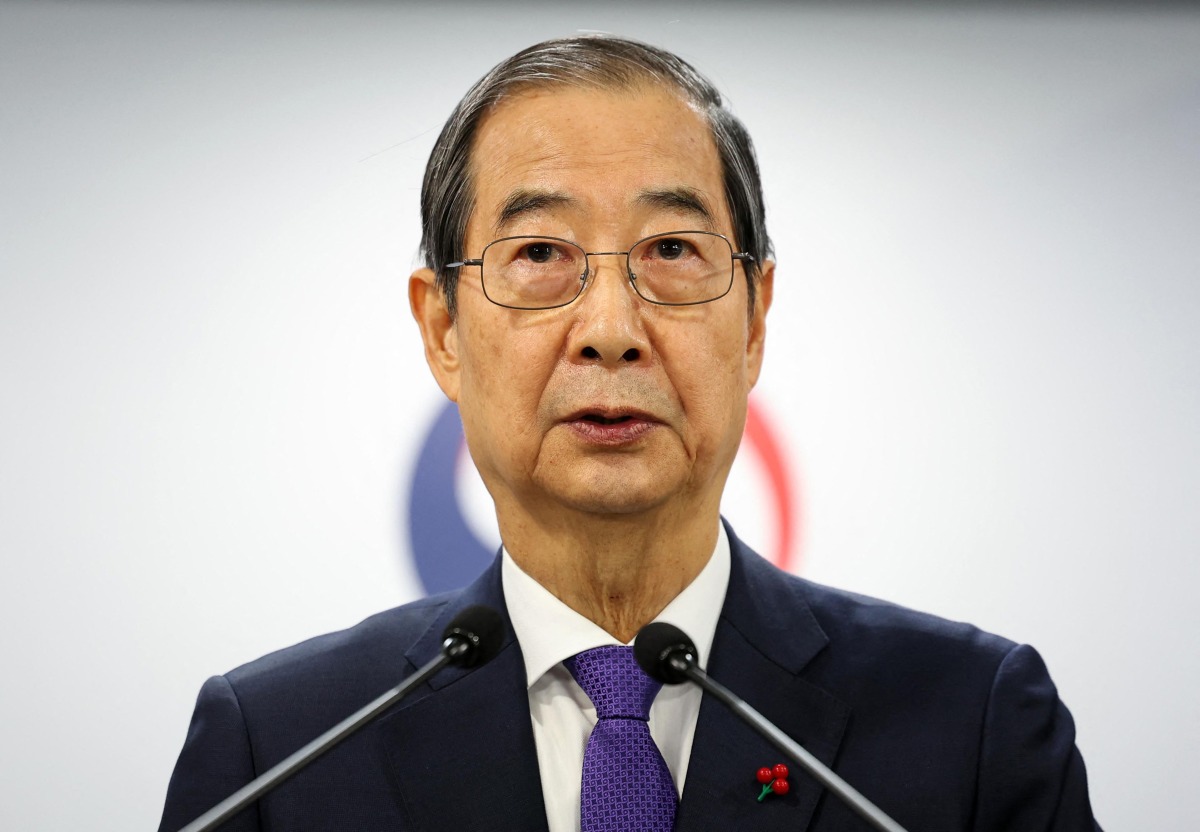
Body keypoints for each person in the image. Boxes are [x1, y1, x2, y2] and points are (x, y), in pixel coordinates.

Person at [158, 36, 1099, 831]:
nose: (611, 327)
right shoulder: (280, 751)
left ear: (756, 319)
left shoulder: (973, 725)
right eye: (538, 255)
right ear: (443, 331)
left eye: (672, 252)